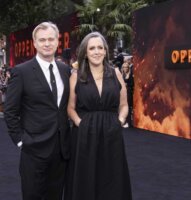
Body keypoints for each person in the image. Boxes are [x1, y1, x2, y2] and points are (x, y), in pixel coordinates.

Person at [4, 22, 71, 200]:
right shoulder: (21, 71)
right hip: (33, 150)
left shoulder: (66, 71)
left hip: (61, 150)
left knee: (56, 196)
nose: (47, 43)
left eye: (50, 39)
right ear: (34, 43)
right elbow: (10, 111)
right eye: (42, 40)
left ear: (58, 42)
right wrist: (20, 141)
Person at [65, 32, 132, 200]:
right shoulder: (76, 76)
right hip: (84, 135)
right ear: (85, 52)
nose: (96, 51)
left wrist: (120, 121)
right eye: (92, 48)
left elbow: (124, 105)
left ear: (105, 50)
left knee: (112, 177)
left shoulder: (115, 73)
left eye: (100, 47)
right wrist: (81, 123)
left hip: (111, 133)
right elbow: (70, 108)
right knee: (85, 177)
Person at [121, 62, 134, 127]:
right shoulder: (122, 75)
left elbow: (132, 84)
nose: (124, 68)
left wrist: (127, 85)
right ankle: (125, 121)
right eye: (123, 67)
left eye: (126, 67)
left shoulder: (130, 75)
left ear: (128, 68)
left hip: (128, 93)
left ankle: (129, 122)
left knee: (128, 107)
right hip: (123, 93)